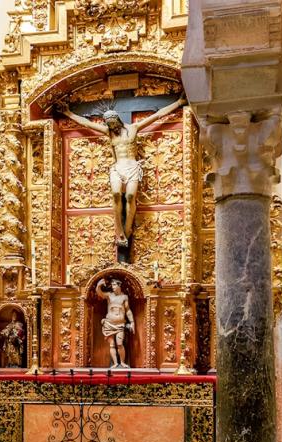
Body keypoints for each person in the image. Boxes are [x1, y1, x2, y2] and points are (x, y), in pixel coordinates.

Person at [58, 96, 187, 247]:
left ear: (118, 120)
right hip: (118, 167)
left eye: (114, 124)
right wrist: (68, 113)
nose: (113, 127)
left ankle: (128, 228)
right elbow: (86, 123)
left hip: (132, 166)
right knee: (116, 194)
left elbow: (157, 115)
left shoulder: (134, 128)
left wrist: (178, 102)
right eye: (110, 125)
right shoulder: (109, 132)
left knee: (131, 196)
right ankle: (118, 229)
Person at [95, 277, 134, 368]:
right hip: (109, 323)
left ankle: (122, 362)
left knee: (120, 344)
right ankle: (116, 363)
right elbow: (100, 293)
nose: (112, 287)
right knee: (112, 345)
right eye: (112, 285)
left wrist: (132, 322)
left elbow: (128, 310)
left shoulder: (124, 297)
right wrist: (98, 285)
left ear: (119, 285)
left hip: (120, 324)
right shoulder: (109, 295)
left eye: (114, 285)